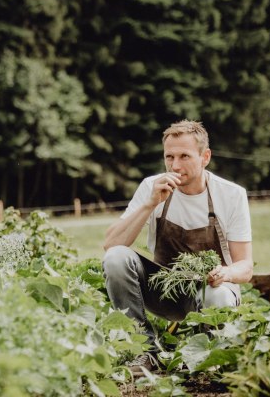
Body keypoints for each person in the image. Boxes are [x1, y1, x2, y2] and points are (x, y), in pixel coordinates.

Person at [102, 120, 253, 376]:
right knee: (116, 258)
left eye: (184, 156)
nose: (175, 165)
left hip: (210, 291)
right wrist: (150, 204)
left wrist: (225, 273)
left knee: (216, 295)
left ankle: (211, 356)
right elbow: (110, 245)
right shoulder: (153, 187)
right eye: (169, 156)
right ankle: (144, 351)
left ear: (205, 157)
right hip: (164, 291)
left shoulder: (231, 195)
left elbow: (246, 267)